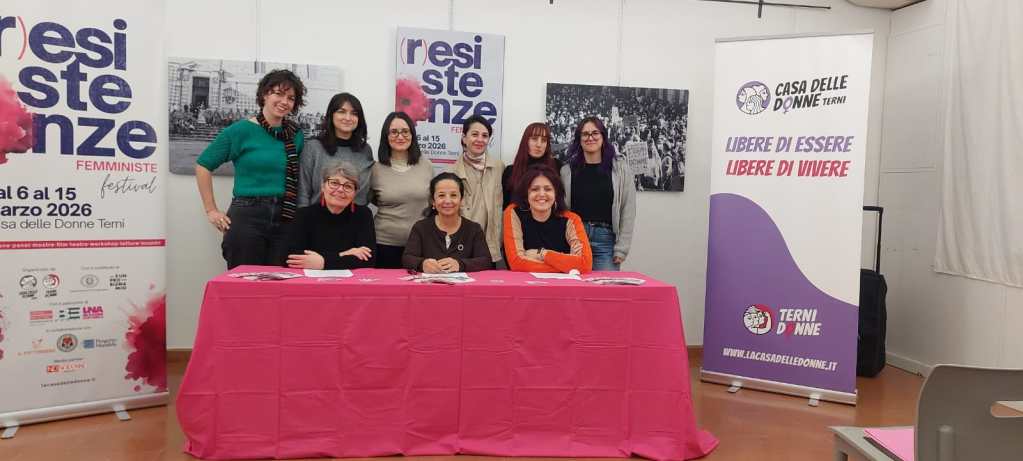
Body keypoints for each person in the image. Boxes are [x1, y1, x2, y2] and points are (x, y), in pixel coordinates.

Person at [195, 69, 306, 269]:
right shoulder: (239, 131)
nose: (284, 101)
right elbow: (204, 164)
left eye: (290, 98)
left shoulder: (295, 135)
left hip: (286, 217)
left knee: (281, 288)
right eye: (278, 93)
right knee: (244, 286)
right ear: (265, 94)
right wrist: (211, 210)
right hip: (248, 215)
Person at [560, 116, 636, 271]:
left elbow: (628, 209)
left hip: (606, 241)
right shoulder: (567, 171)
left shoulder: (620, 168)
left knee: (606, 292)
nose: (590, 138)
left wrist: (622, 248)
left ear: (603, 136)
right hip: (575, 239)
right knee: (575, 291)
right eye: (585, 134)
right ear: (579, 139)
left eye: (595, 133)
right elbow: (562, 210)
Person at [370, 111, 434, 268]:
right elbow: (371, 199)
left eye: (405, 131)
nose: (400, 136)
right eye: (394, 132)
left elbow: (434, 202)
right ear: (386, 136)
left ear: (412, 134)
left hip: (421, 245)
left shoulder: (426, 166)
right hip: (384, 244)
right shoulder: (375, 169)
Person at [283, 161, 375, 270]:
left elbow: (368, 260)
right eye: (334, 183)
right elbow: (288, 257)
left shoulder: (363, 215)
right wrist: (342, 255)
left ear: (355, 193)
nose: (340, 190)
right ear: (323, 186)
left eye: (348, 186)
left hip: (350, 282)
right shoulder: (304, 215)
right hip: (309, 281)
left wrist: (323, 262)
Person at [503, 164, 592, 274]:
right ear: (526, 194)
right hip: (526, 284)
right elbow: (516, 262)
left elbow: (585, 264)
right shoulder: (513, 213)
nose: (541, 194)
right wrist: (567, 265)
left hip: (562, 286)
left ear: (556, 193)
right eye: (535, 189)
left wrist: (542, 254)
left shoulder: (571, 219)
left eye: (548, 189)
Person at [403, 172, 493, 273]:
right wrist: (422, 264)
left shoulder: (474, 229)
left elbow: (485, 261)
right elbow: (407, 258)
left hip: (464, 288)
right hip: (428, 287)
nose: (447, 201)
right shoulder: (420, 227)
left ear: (461, 200)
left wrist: (460, 264)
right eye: (441, 195)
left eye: (453, 195)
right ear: (433, 201)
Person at [299, 93, 374, 207]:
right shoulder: (313, 148)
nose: (348, 118)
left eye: (354, 113)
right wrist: (303, 220)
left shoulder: (365, 150)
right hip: (317, 219)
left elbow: (366, 192)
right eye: (341, 111)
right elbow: (303, 191)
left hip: (355, 219)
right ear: (331, 115)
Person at [452, 114, 504, 267]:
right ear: (463, 138)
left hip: (490, 248)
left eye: (485, 136)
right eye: (474, 134)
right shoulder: (452, 173)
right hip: (461, 248)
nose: (480, 140)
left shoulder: (499, 168)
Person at [502, 122, 562, 208]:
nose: (539, 144)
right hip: (517, 220)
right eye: (534, 139)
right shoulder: (510, 171)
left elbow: (561, 202)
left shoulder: (556, 166)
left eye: (544, 140)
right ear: (525, 141)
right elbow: (505, 206)